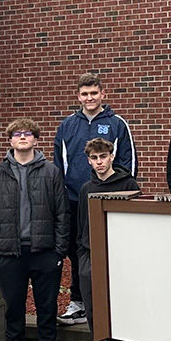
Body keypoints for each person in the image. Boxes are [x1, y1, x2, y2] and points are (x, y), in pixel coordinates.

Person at [0, 119, 69, 341]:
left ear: (35, 139)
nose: (22, 137)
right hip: (10, 253)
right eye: (17, 134)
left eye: (27, 133)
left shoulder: (51, 172)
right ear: (10, 141)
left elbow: (62, 213)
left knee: (46, 305)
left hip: (44, 252)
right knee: (13, 307)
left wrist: (59, 250)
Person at [54, 73, 137, 326]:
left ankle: (117, 300)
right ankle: (79, 302)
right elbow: (59, 164)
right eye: (85, 94)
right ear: (78, 96)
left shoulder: (117, 123)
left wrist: (121, 193)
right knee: (78, 250)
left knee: (113, 250)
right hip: (75, 199)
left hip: (110, 200)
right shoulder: (67, 125)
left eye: (94, 93)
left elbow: (128, 162)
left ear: (103, 94)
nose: (89, 98)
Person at [74, 138, 145, 341]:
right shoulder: (85, 188)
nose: (99, 162)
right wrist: (84, 255)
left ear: (112, 156)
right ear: (89, 160)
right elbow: (82, 226)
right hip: (91, 257)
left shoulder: (128, 184)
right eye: (94, 158)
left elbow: (137, 223)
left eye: (103, 156)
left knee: (127, 312)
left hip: (122, 257)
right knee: (95, 315)